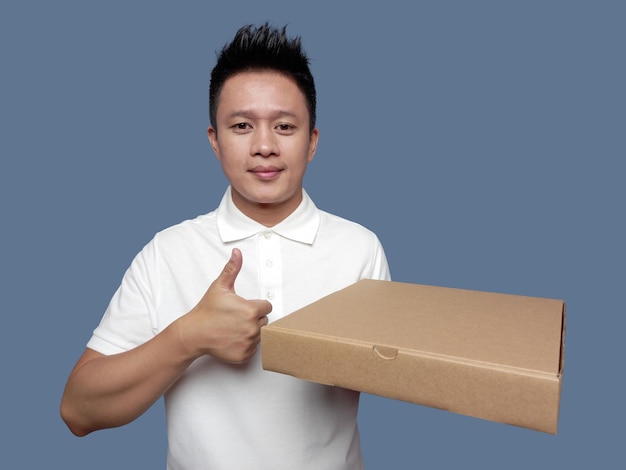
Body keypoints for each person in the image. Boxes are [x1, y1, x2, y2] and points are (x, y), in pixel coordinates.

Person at [61, 23, 390, 469]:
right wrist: (188, 336)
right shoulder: (167, 253)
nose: (265, 146)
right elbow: (78, 410)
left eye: (285, 126)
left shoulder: (359, 249)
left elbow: (392, 374)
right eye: (241, 125)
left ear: (312, 141)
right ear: (214, 140)